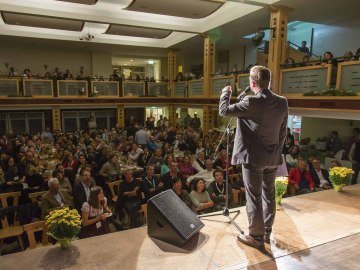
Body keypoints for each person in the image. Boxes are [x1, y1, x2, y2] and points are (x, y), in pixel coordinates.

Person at [219, 65, 288, 249]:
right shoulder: (282, 102)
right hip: (272, 158)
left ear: (252, 83)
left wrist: (226, 93)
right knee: (269, 195)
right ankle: (266, 231)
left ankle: (256, 237)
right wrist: (276, 154)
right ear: (269, 82)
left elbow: (224, 110)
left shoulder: (251, 103)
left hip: (253, 160)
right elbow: (283, 132)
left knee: (254, 198)